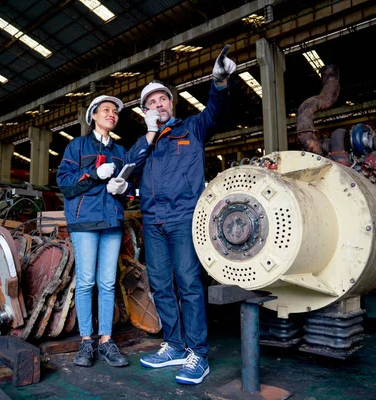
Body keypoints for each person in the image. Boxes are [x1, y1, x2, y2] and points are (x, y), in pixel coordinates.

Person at [128, 45, 236, 385]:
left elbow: (216, 112)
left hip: (184, 218)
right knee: (160, 284)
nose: (159, 105)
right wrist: (148, 133)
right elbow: (130, 172)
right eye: (152, 102)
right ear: (144, 110)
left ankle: (198, 354)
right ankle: (174, 345)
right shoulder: (144, 140)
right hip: (152, 221)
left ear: (171, 104)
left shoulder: (192, 128)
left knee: (189, 284)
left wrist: (219, 82)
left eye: (163, 100)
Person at [56, 95, 147, 368]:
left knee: (107, 283)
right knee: (86, 282)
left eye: (115, 112)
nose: (112, 114)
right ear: (93, 116)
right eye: (106, 110)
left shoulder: (121, 152)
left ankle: (106, 341)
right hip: (84, 221)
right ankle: (86, 341)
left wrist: (125, 190)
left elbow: (130, 186)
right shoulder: (77, 146)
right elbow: (64, 183)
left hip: (111, 222)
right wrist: (94, 173)